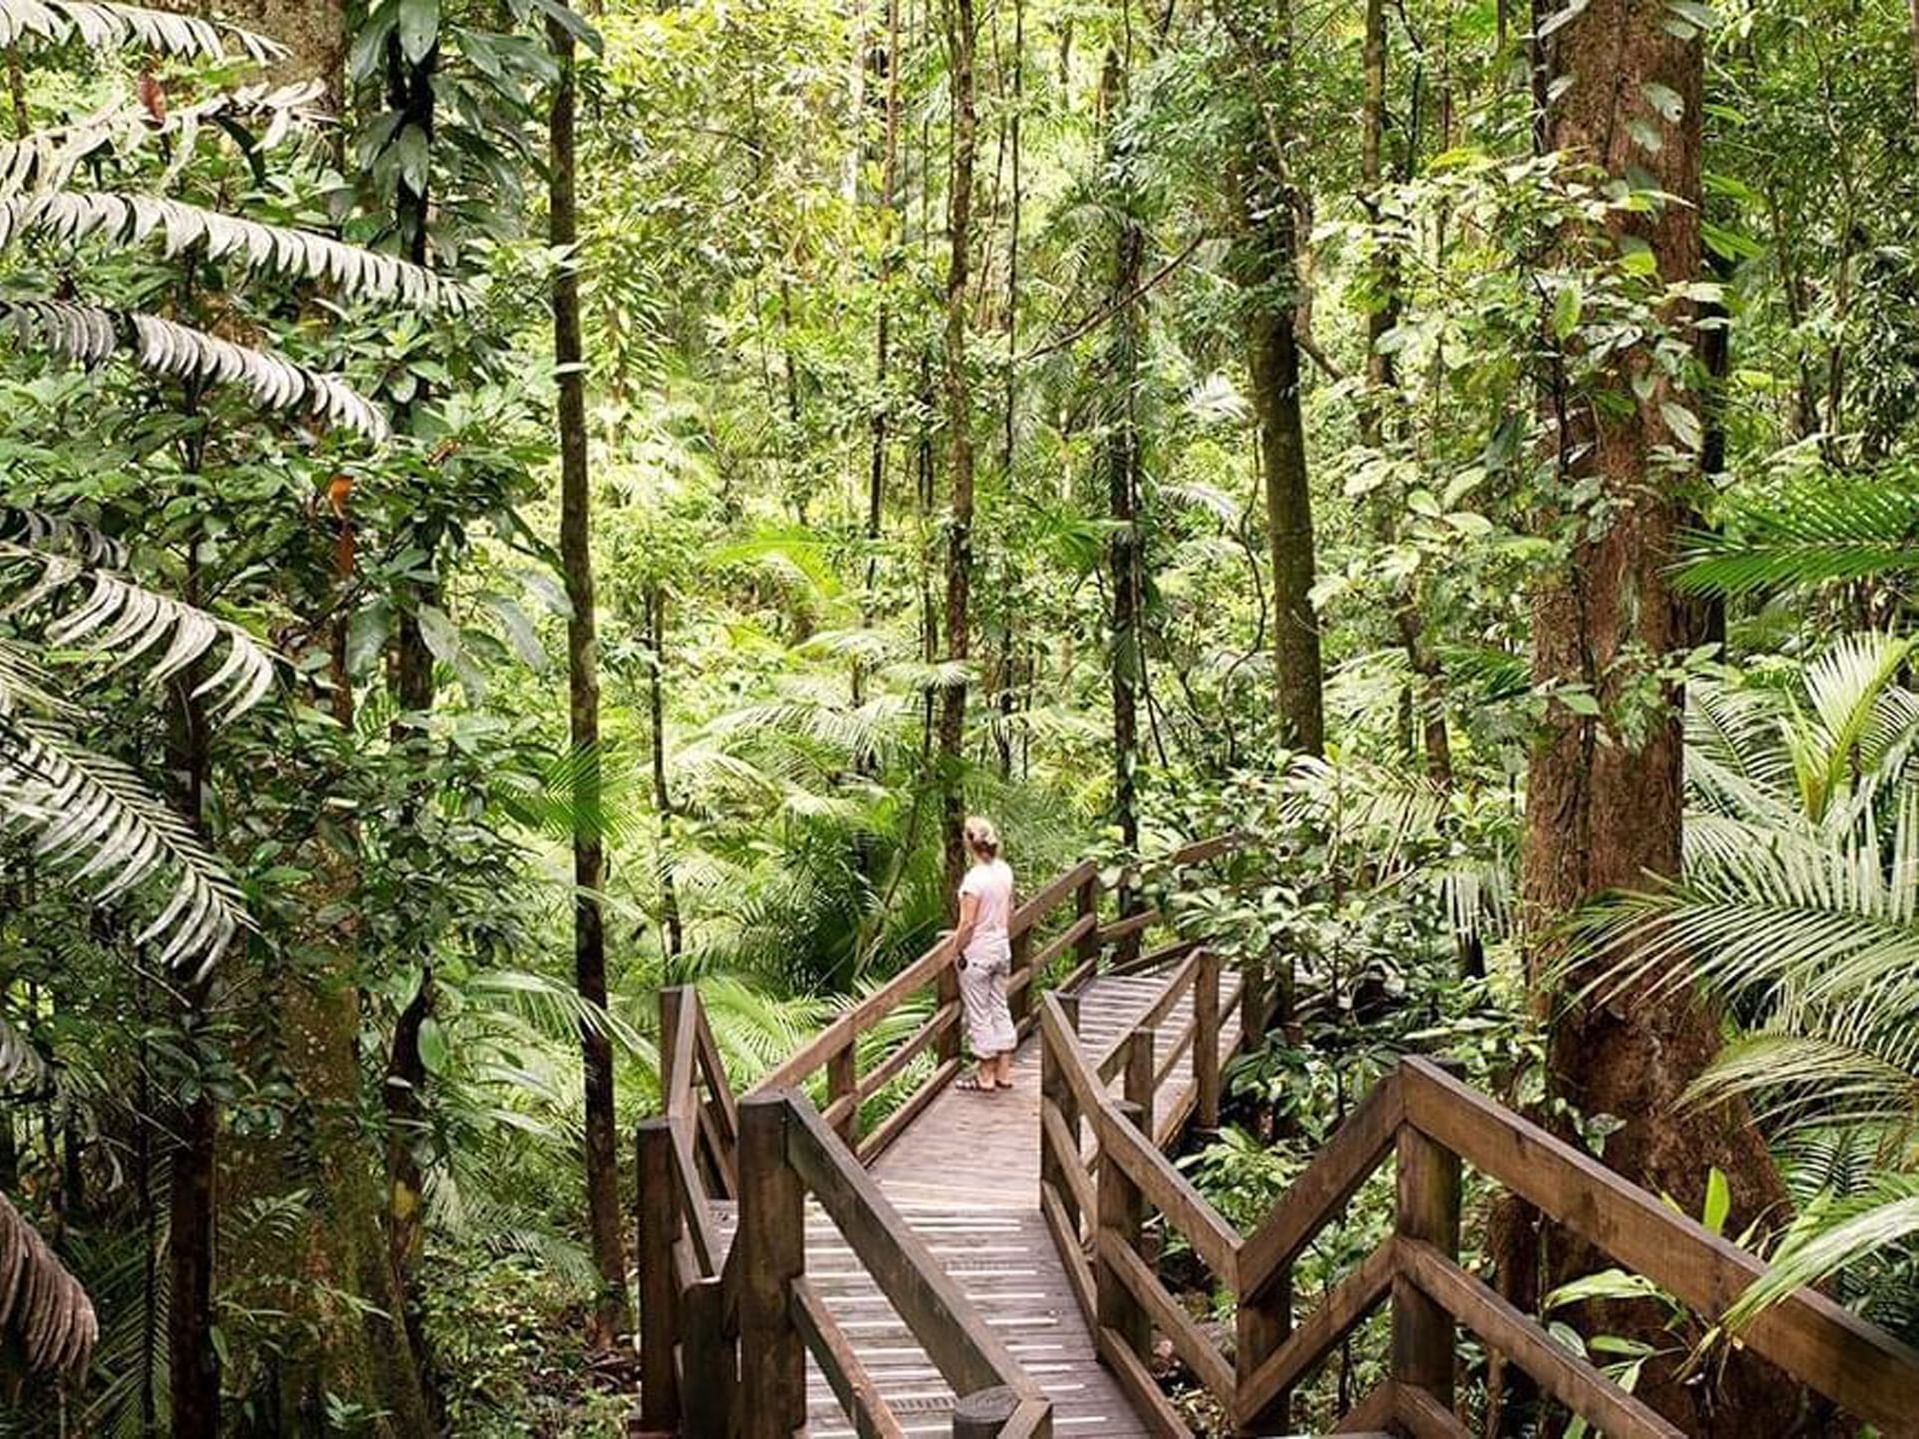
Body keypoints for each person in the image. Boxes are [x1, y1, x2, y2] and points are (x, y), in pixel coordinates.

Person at [951, 815, 1017, 1093]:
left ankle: (986, 1076)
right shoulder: (1004, 871)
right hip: (1002, 948)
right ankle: (1004, 1072)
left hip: (978, 952)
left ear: (969, 843)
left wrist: (956, 949)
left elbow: (967, 923)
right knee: (999, 1006)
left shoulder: (974, 880)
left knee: (979, 1012)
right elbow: (1011, 908)